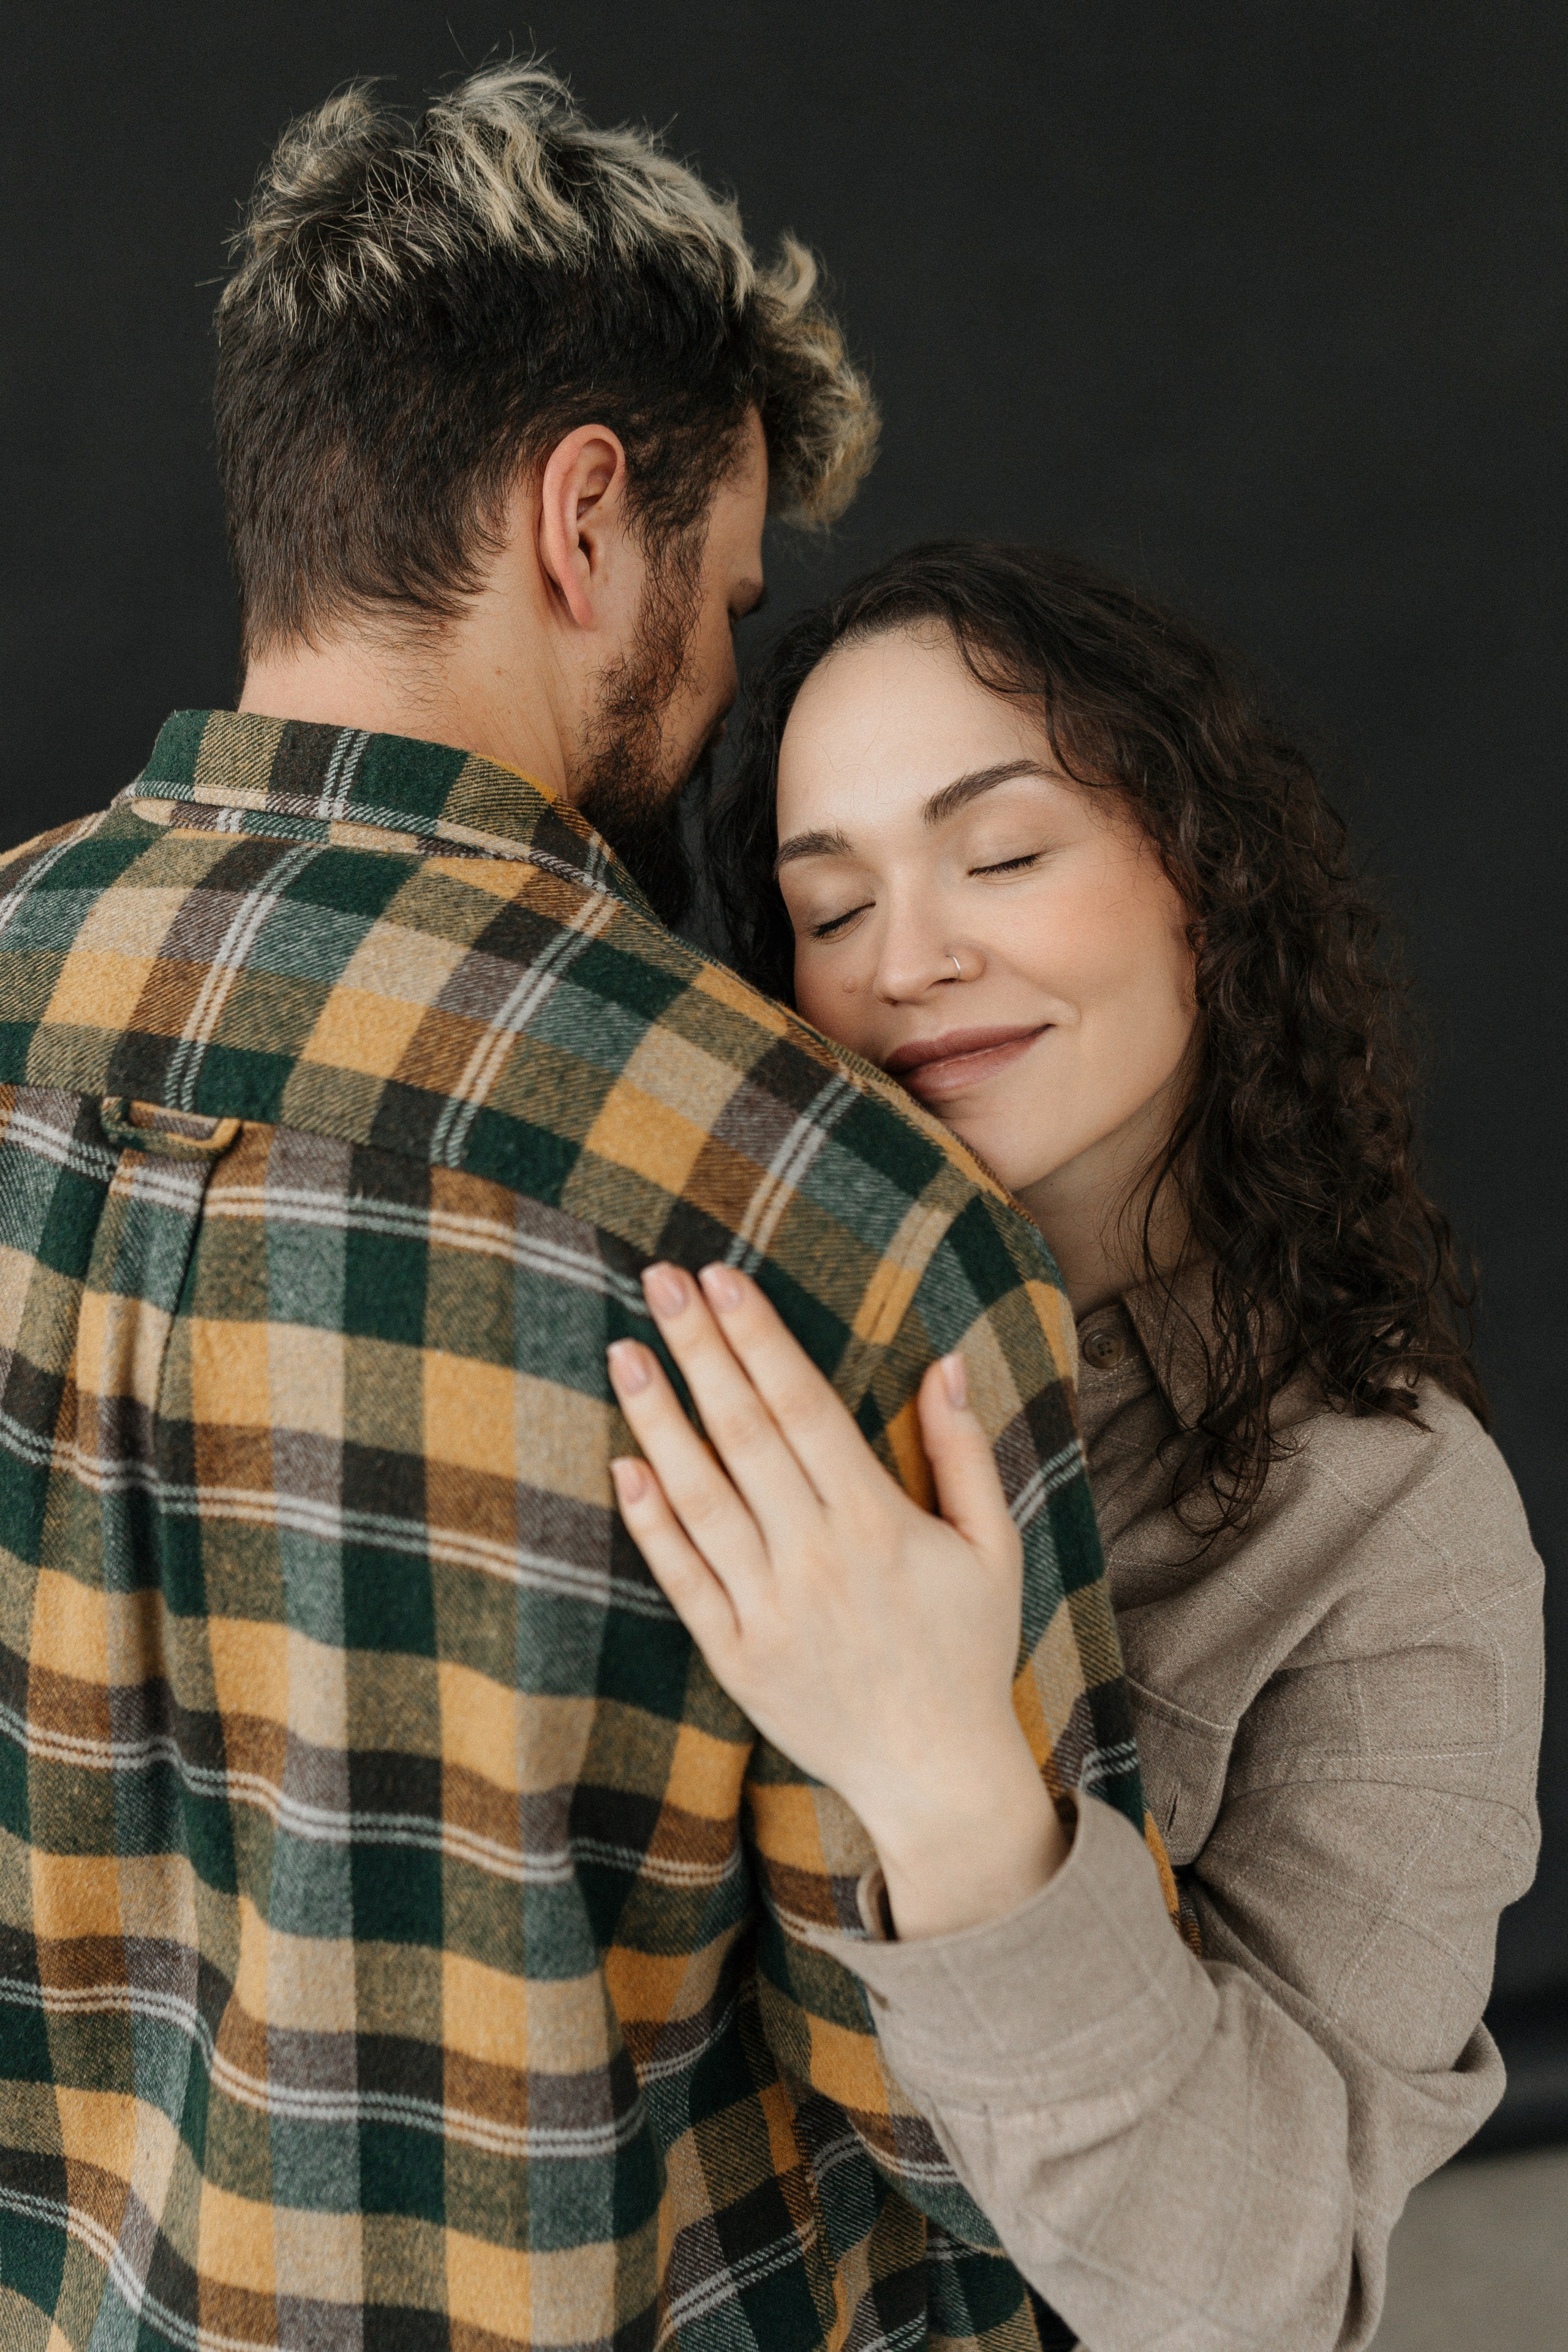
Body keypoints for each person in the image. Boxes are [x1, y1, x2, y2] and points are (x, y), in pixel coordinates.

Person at [0, 75, 1159, 2352]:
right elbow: (1025, 2167)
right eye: (725, 600)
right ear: (584, 518)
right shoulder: (843, 1231)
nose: (719, 681)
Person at [609, 542, 1546, 2352]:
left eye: (1004, 855)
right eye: (830, 906)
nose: (909, 963)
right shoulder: (722, 1358)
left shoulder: (1397, 1523)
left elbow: (1258, 2297)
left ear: (1207, 876)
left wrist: (952, 1780)